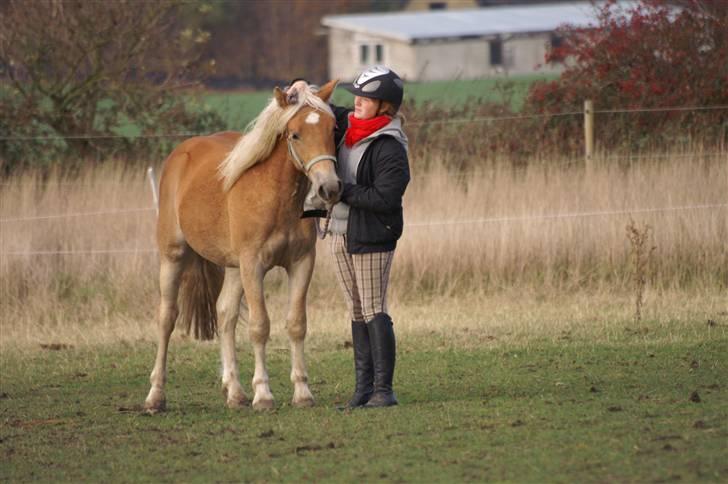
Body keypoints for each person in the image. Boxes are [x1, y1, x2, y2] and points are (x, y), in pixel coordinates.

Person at [325, 66, 410, 408]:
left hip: (373, 235)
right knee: (356, 311)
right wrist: (303, 88)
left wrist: (343, 191)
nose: (357, 102)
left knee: (374, 309)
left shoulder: (389, 146)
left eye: (367, 98)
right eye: (357, 96)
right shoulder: (349, 126)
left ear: (384, 105)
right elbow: (326, 109)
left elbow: (385, 198)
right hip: (340, 233)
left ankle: (383, 390)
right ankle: (362, 390)